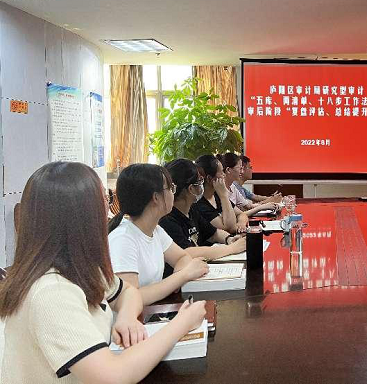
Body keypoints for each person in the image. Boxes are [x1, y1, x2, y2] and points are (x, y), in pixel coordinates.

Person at [0, 162, 206, 383]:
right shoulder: (51, 292)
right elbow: (113, 376)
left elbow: (128, 292)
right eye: (104, 202)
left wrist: (127, 317)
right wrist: (182, 323)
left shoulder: (77, 268)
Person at [108, 164, 209, 305]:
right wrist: (182, 276)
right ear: (156, 197)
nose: (173, 193)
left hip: (152, 311)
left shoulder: (155, 230)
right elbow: (128, 299)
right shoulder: (123, 239)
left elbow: (182, 257)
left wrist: (177, 278)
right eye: (171, 188)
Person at [160, 158, 246, 275]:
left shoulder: (191, 210)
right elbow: (187, 252)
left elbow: (214, 233)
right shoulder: (167, 219)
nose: (203, 185)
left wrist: (229, 239)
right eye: (200, 181)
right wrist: (231, 249)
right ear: (191, 189)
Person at [193, 154, 251, 233]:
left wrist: (241, 223)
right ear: (209, 179)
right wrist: (224, 196)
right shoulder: (200, 204)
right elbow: (230, 228)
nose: (224, 175)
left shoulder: (216, 195)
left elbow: (241, 214)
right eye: (221, 172)